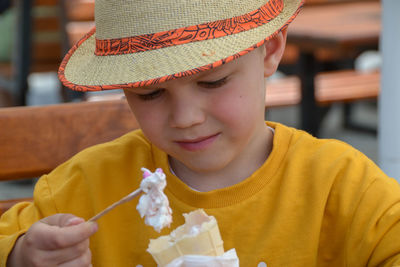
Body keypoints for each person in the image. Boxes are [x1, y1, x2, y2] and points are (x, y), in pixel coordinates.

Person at [2, 0, 400, 266]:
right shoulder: (87, 187)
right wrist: (22, 254)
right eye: (150, 93)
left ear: (271, 48)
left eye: (213, 82)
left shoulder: (340, 187)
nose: (186, 117)